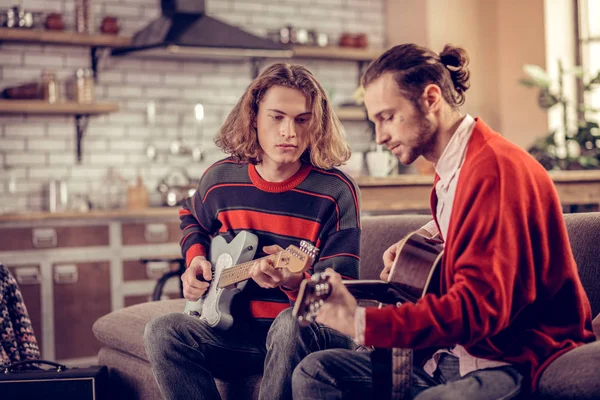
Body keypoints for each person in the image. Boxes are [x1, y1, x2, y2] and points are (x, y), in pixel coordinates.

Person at [291, 43, 596, 400]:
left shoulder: (493, 169)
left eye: (388, 117)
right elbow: (476, 236)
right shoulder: (455, 171)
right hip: (452, 354)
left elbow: (479, 309)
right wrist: (419, 242)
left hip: (510, 359)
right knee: (318, 372)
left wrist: (360, 323)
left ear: (431, 98)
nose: (380, 136)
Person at [143, 63, 362, 400]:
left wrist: (293, 282)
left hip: (311, 336)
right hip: (237, 337)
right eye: (277, 117)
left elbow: (341, 292)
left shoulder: (336, 191)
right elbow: (190, 216)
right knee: (163, 331)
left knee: (290, 323)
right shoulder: (221, 179)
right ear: (254, 117)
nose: (289, 131)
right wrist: (196, 259)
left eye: (302, 120)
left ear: (315, 125)